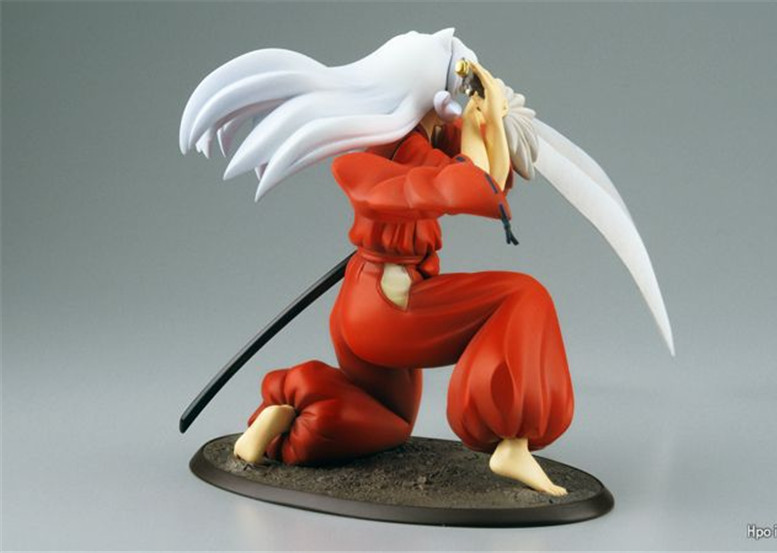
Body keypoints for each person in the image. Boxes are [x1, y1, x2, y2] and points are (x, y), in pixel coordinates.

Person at [179, 29, 673, 497]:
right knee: (521, 297)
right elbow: (473, 184)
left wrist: (491, 117)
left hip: (365, 303)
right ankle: (511, 442)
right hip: (387, 307)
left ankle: (283, 414)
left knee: (390, 420)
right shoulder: (371, 161)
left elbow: (490, 172)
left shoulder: (418, 142)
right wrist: (484, 119)